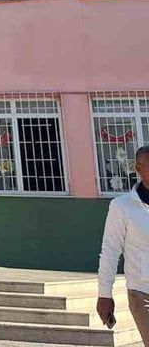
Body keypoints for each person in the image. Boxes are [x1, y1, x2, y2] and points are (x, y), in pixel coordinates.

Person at [97, 145, 149, 341]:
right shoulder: (122, 206)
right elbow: (110, 251)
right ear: (138, 168)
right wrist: (104, 294)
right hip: (142, 292)